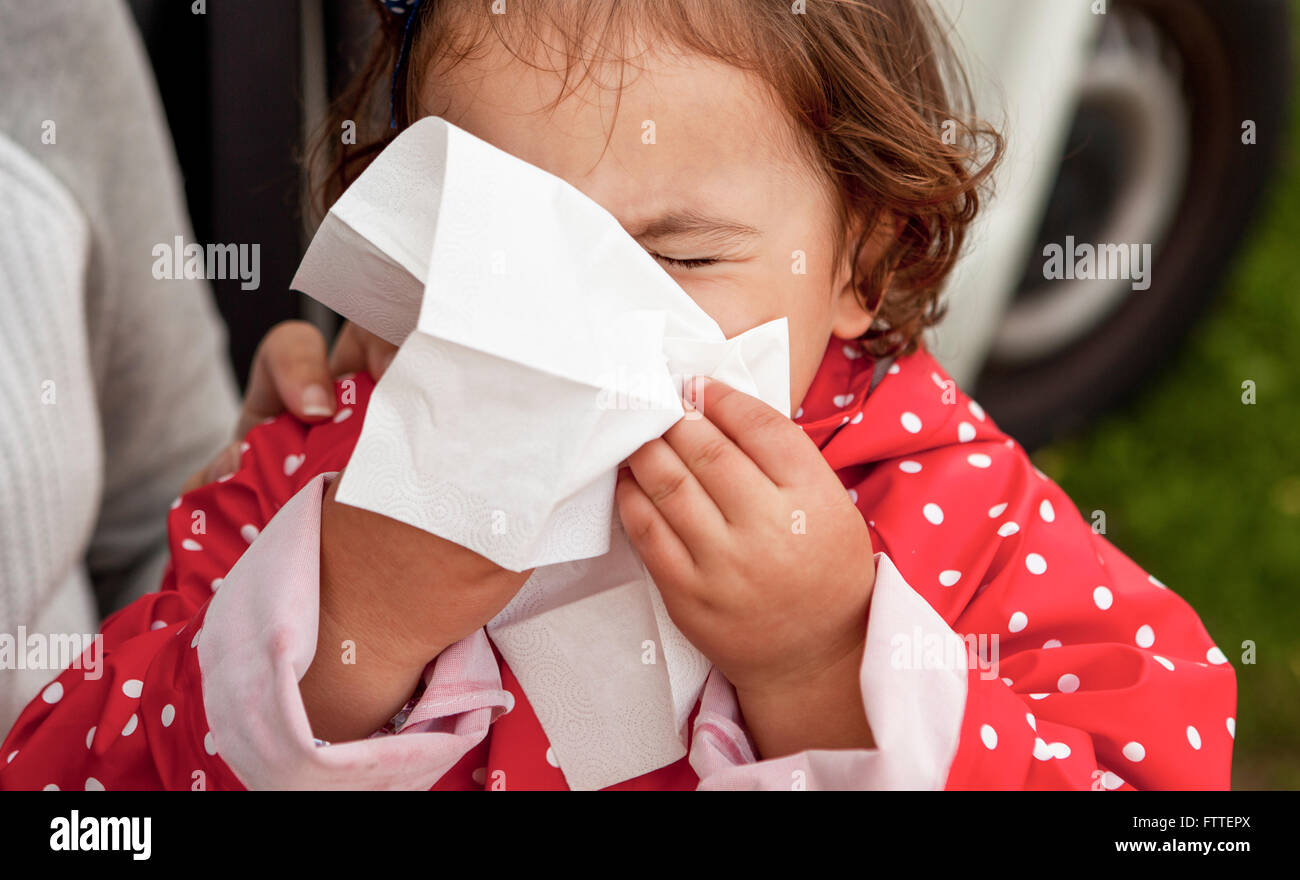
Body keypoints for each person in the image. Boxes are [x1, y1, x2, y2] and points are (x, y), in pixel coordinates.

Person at [0, 0, 1236, 790]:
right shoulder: (327, 476)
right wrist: (339, 637)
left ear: (862, 253)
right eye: (500, 249)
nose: (572, 332)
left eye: (679, 258)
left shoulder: (941, 513)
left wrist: (823, 665)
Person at [0, 0, 393, 735]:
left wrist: (252, 554)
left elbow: (158, 521)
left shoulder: (43, 29)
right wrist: (347, 654)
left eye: (680, 255)